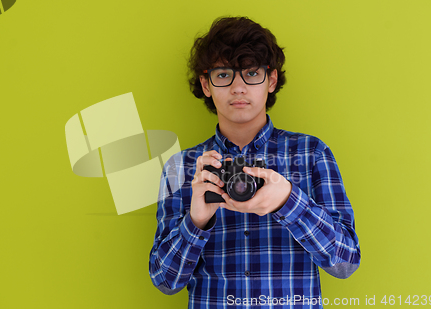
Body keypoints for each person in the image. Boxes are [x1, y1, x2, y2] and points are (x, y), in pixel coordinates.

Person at [149, 16, 360, 308]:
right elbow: (164, 281)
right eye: (223, 75)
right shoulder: (182, 167)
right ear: (206, 84)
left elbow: (346, 262)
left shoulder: (311, 153)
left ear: (271, 80)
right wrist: (196, 222)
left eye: (250, 73)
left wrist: (288, 200)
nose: (238, 87)